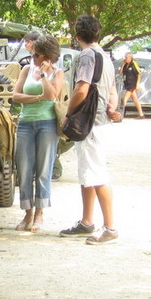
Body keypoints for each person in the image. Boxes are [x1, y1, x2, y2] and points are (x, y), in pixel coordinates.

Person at [59, 14, 122, 244]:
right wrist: (112, 109)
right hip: (100, 123)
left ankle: (110, 228)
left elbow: (82, 89)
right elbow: (113, 92)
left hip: (89, 124)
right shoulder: (105, 56)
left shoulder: (86, 55)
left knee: (97, 176)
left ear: (77, 36)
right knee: (87, 174)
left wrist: (68, 113)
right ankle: (87, 222)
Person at [12, 35, 64, 232]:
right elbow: (15, 96)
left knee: (43, 169)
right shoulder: (26, 69)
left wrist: (43, 76)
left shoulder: (57, 73)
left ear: (48, 57)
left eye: (37, 55)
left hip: (47, 124)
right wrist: (37, 98)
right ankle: (27, 213)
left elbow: (52, 95)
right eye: (32, 53)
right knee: (24, 169)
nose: (33, 57)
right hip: (26, 122)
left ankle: (40, 213)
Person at [119, 52, 145, 119]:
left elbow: (139, 74)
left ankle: (120, 114)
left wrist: (137, 84)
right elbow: (121, 72)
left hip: (132, 84)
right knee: (135, 99)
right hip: (127, 83)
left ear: (130, 57)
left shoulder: (134, 64)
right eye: (125, 57)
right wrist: (123, 64)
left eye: (126, 57)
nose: (125, 59)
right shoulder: (125, 65)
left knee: (125, 98)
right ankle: (141, 114)